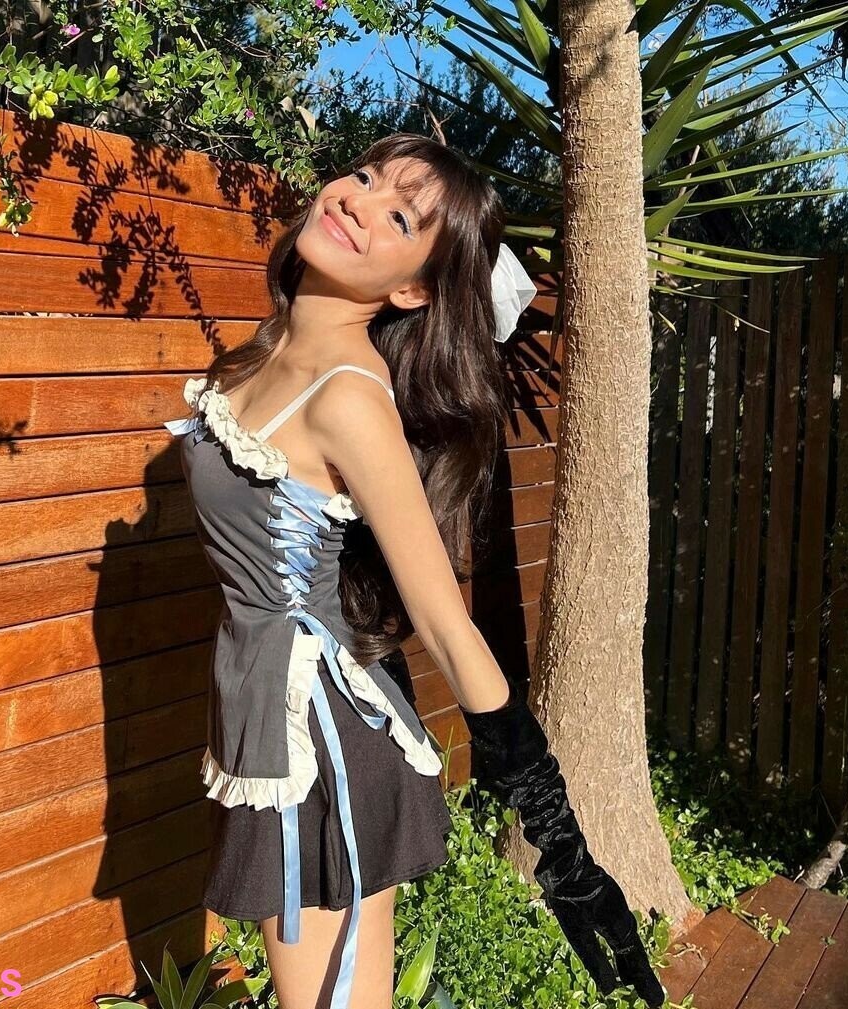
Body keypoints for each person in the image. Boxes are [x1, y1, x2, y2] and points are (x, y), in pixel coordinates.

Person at [162, 133, 664, 1009]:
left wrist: (561, 843)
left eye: (399, 217)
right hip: (265, 713)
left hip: (320, 742)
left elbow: (443, 621)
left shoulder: (347, 397)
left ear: (413, 289)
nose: (356, 201)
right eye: (364, 177)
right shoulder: (263, 355)